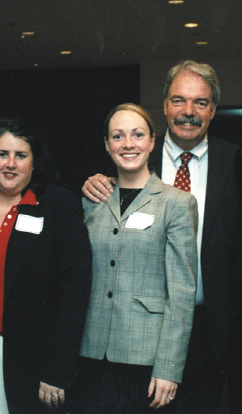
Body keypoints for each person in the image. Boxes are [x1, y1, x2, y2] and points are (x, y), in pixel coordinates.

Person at [82, 61, 241, 413]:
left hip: (213, 329)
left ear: (214, 110)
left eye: (200, 103)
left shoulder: (235, 162)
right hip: (139, 334)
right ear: (165, 106)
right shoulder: (135, 157)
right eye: (179, 100)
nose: (188, 112)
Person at [0, 117, 92, 413]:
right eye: (2, 154)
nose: (10, 164)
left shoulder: (58, 206)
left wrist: (57, 370)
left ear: (35, 162)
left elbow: (75, 295)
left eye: (21, 155)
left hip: (32, 362)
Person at [76, 103, 197, 413]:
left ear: (152, 141)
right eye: (118, 136)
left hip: (146, 359)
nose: (128, 144)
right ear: (106, 145)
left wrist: (168, 368)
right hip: (91, 352)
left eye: (137, 134)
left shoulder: (177, 203)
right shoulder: (92, 200)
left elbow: (182, 294)